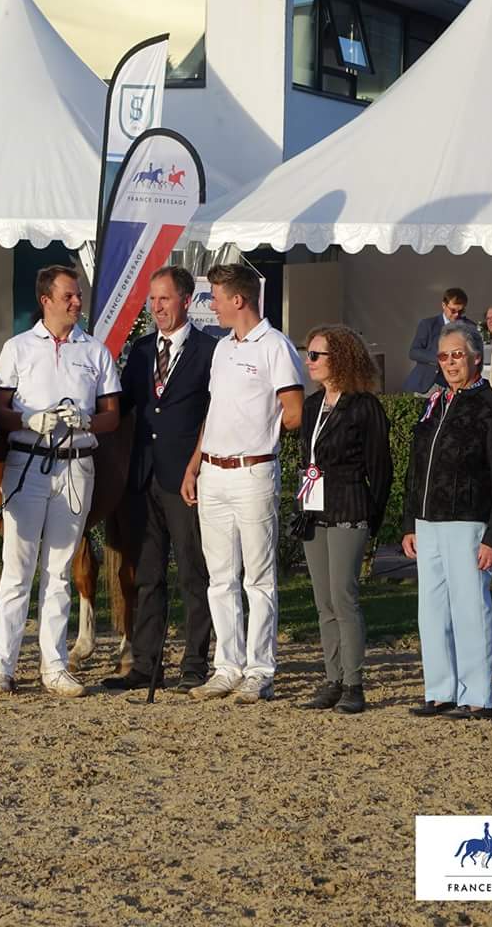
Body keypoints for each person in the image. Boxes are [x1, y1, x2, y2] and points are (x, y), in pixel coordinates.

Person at [0, 265, 120, 698]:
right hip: (27, 462)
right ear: (46, 300)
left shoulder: (95, 351)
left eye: (77, 295)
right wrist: (27, 418)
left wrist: (88, 420)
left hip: (77, 464)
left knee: (60, 570)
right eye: (69, 296)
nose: (77, 302)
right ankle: (1, 666)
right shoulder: (18, 348)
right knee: (17, 570)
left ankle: (55, 665)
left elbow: (112, 415)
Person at [182, 264, 304, 704]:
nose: (210, 304)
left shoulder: (275, 346)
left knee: (258, 577)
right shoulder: (221, 349)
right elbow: (213, 411)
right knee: (220, 578)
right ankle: (227, 666)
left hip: (253, 472)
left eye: (215, 296)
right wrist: (195, 463)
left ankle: (260, 669)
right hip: (213, 471)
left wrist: (261, 436)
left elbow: (293, 411)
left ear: (239, 300)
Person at [103, 265, 217, 693]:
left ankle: (194, 662)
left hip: (184, 478)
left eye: (164, 299)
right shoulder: (141, 348)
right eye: (153, 300)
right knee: (148, 574)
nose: (157, 307)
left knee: (192, 572)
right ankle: (146, 664)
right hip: (142, 476)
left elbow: (212, 413)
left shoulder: (209, 351)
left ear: (186, 300)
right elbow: (125, 405)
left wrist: (195, 463)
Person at [402, 320, 492, 721]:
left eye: (457, 355)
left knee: (470, 607)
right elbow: (415, 470)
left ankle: (478, 696)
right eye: (443, 356)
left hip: (470, 522)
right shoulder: (434, 403)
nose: (451, 362)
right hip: (429, 522)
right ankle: (440, 690)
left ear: (475, 357)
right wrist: (408, 522)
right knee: (431, 610)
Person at [298, 325, 393, 715]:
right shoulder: (311, 406)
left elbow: (381, 468)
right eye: (309, 353)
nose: (309, 361)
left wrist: (373, 518)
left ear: (339, 358)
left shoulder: (364, 406)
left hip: (349, 508)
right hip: (315, 510)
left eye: (316, 355)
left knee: (344, 597)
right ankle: (333, 678)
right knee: (324, 602)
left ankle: (354, 683)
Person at [403, 288, 470, 393]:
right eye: (453, 310)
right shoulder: (428, 325)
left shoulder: (469, 327)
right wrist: (440, 358)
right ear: (444, 305)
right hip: (429, 383)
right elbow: (414, 352)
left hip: (456, 385)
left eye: (461, 311)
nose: (457, 315)